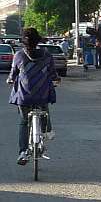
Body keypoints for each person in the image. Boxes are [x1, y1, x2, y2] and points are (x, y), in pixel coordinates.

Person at [7, 28, 60, 165]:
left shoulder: (19, 55)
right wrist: (56, 79)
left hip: (24, 97)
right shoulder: (46, 55)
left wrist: (10, 80)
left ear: (23, 42)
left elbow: (13, 74)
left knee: (24, 122)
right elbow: (53, 73)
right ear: (38, 41)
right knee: (44, 108)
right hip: (42, 95)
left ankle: (23, 152)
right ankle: (46, 131)